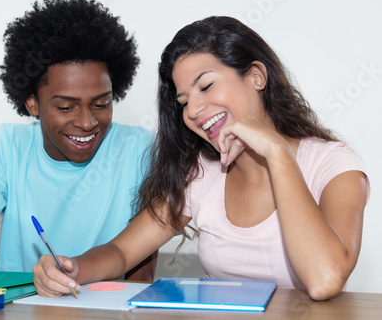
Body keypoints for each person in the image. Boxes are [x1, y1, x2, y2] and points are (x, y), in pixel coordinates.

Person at [33, 16, 370, 301]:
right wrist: (71, 267)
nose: (193, 110)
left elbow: (324, 280)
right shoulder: (201, 173)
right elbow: (122, 252)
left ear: (256, 76)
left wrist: (278, 154)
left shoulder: (333, 166)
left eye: (206, 86)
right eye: (183, 100)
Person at [0, 0, 157, 286]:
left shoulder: (141, 151)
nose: (87, 122)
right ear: (32, 104)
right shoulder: (9, 146)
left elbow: (140, 276)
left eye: (101, 104)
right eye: (65, 107)